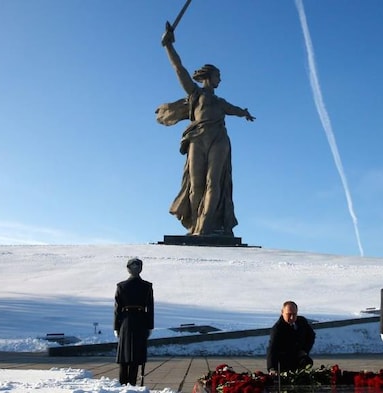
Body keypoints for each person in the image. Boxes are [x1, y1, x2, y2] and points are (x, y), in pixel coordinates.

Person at [158, 23, 255, 237]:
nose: (220, 80)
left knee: (214, 183)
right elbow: (179, 69)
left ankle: (206, 228)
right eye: (218, 76)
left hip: (218, 140)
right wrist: (168, 46)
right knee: (196, 186)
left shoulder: (220, 102)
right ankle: (195, 226)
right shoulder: (195, 95)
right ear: (208, 77)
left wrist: (244, 113)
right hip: (196, 139)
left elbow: (235, 109)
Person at [114, 258, 154, 385]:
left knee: (124, 357)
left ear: (128, 269)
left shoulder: (121, 286)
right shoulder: (147, 286)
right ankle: (132, 384)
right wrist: (149, 326)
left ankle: (123, 384)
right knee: (136, 357)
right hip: (140, 321)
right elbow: (150, 309)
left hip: (125, 322)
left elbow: (117, 309)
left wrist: (116, 326)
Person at [266, 301, 316, 374]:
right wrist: (271, 368)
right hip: (285, 364)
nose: (292, 317)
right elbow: (272, 349)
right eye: (289, 314)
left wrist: (304, 351)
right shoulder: (277, 329)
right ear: (282, 312)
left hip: (299, 360)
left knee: (307, 362)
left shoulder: (301, 321)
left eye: (294, 314)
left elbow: (311, 336)